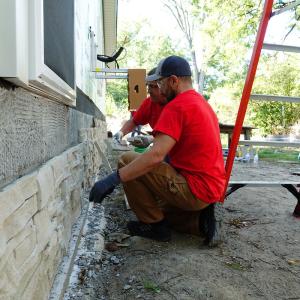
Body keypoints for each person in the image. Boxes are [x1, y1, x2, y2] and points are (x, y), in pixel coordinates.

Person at [89, 55, 226, 245]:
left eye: (159, 83)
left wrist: (113, 179)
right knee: (157, 205)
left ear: (173, 81)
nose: (157, 89)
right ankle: (200, 222)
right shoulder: (200, 103)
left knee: (127, 160)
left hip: (194, 188)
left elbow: (155, 155)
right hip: (211, 188)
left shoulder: (177, 106)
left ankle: (155, 227)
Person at [113, 68, 167, 147]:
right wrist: (121, 132)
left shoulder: (176, 105)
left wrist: (152, 139)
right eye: (148, 86)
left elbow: (171, 136)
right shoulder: (149, 103)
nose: (149, 91)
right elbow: (134, 121)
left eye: (152, 86)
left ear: (163, 86)